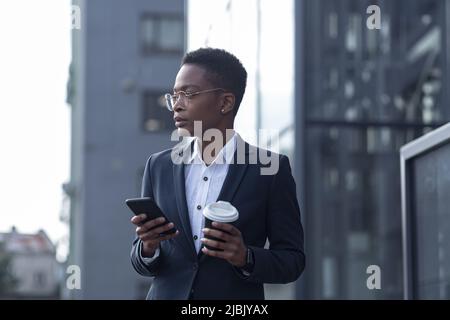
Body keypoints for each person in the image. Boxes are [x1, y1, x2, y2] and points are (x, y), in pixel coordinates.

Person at [130, 47, 305, 300]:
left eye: (188, 94)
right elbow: (141, 260)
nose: (176, 106)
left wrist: (245, 256)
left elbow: (293, 261)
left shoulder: (270, 169)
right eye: (174, 96)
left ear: (225, 102)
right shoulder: (158, 167)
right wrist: (148, 247)